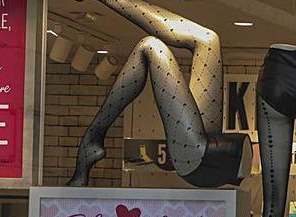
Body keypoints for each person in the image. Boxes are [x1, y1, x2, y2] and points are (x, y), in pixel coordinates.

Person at [67, 0, 250, 189]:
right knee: (208, 39)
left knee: (150, 46)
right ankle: (92, 140)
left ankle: (92, 139)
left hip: (199, 158)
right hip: (209, 152)